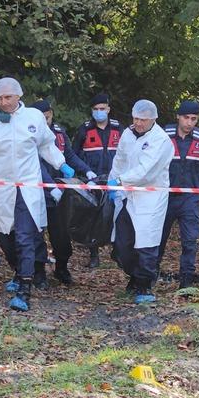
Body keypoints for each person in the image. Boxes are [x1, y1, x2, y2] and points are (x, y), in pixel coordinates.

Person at [0, 78, 75, 312]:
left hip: (28, 187)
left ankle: (24, 288)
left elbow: (46, 145)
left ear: (18, 96)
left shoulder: (34, 118)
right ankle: (19, 271)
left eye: (7, 97)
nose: (3, 102)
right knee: (6, 239)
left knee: (25, 237)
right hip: (2, 189)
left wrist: (61, 164)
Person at [108, 99, 174, 304]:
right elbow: (120, 160)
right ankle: (134, 275)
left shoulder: (161, 140)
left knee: (146, 242)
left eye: (143, 120)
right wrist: (112, 183)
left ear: (153, 119)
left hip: (150, 197)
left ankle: (144, 285)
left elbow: (146, 171)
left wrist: (120, 181)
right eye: (135, 118)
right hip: (128, 195)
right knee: (122, 243)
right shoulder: (128, 134)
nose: (138, 123)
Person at [158, 100, 199, 289]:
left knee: (190, 242)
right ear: (178, 116)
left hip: (190, 199)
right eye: (186, 118)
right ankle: (148, 280)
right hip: (165, 197)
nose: (189, 122)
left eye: (193, 119)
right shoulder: (164, 136)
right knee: (158, 240)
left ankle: (185, 285)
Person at [30, 99, 96, 288]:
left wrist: (86, 170)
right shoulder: (29, 134)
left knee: (61, 235)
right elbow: (36, 164)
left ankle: (61, 268)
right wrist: (50, 186)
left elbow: (69, 155)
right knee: (36, 235)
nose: (46, 120)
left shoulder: (59, 133)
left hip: (60, 193)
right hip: (38, 192)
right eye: (42, 117)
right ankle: (39, 272)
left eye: (48, 116)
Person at [73, 93, 122, 268]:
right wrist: (86, 174)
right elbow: (74, 154)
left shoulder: (118, 129)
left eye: (102, 109)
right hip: (92, 179)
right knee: (92, 217)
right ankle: (94, 254)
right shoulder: (84, 129)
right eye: (96, 109)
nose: (99, 112)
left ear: (108, 109)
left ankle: (117, 249)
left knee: (118, 214)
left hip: (114, 179)